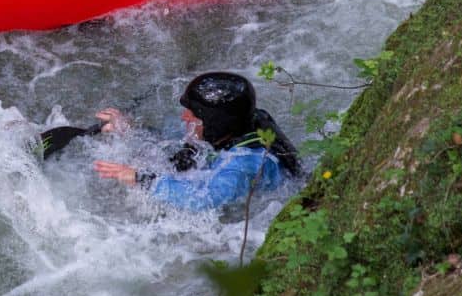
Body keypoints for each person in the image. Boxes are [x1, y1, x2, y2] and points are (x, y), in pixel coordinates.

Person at [44, 72, 301, 211]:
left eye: (193, 115)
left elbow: (202, 200)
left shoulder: (247, 165)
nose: (184, 117)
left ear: (214, 123)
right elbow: (176, 141)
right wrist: (129, 129)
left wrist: (140, 179)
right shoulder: (235, 124)